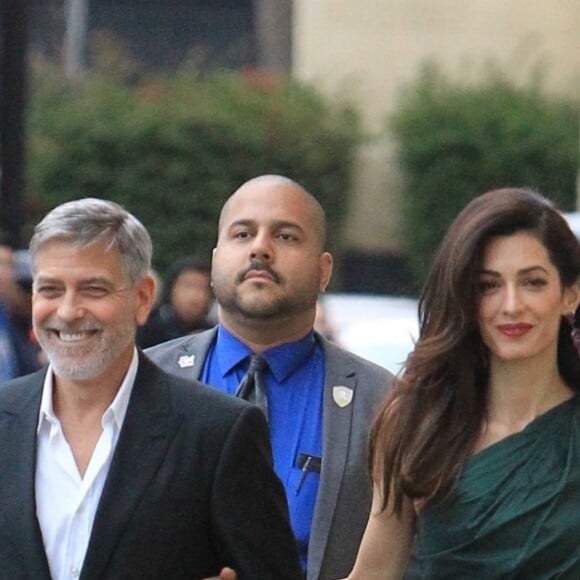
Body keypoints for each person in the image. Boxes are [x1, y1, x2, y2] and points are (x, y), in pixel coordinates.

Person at [0, 198, 302, 580]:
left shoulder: (217, 433)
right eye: (50, 289)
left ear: (142, 299)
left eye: (93, 289)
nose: (68, 311)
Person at [147, 174, 394, 579]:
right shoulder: (144, 382)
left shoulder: (382, 402)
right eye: (242, 234)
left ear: (323, 270)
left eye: (286, 237)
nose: (260, 248)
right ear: (214, 261)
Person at [346, 187, 580, 579]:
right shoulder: (419, 424)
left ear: (571, 294)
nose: (511, 305)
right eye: (488, 285)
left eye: (533, 282)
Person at [137, 255, 214, 348]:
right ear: (172, 288)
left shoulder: (213, 335)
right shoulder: (148, 326)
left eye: (202, 288)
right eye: (188, 286)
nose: (194, 296)